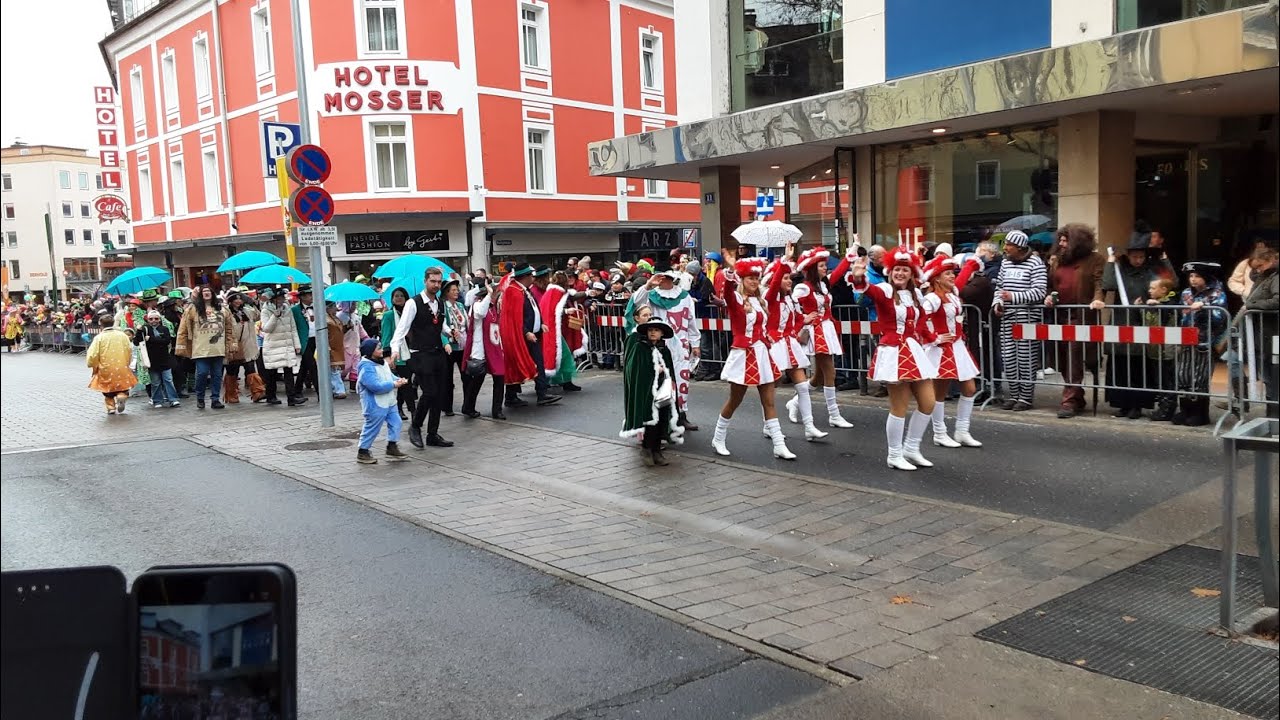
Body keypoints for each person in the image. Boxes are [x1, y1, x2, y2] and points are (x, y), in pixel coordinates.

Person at [849, 248, 939, 470]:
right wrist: (859, 276)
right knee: (899, 405)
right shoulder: (885, 290)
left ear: (911, 273)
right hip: (893, 351)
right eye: (897, 269)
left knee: (929, 403)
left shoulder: (916, 294)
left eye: (904, 270)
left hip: (913, 350)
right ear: (890, 271)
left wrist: (931, 339)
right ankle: (894, 454)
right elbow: (868, 292)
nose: (900, 273)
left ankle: (912, 447)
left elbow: (921, 321)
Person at [711, 256, 796, 460]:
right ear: (742, 280)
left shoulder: (761, 300)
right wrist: (732, 272)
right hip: (744, 354)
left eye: (756, 279)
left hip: (762, 353)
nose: (754, 282)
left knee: (769, 401)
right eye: (750, 278)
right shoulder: (737, 300)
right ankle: (718, 437)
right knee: (735, 400)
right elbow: (728, 294)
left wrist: (785, 260)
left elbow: (775, 284)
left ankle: (779, 445)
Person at [1101, 231, 1173, 418]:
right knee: (1120, 364)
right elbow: (1108, 284)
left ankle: (1137, 405)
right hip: (1121, 321)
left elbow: (1171, 282)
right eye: (1134, 257)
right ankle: (1122, 404)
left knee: (1139, 366)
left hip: (1141, 321)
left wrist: (1164, 258)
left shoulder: (1151, 271)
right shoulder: (1120, 270)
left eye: (1141, 257)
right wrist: (1110, 261)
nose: (1138, 260)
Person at [1044, 224, 1107, 418]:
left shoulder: (1095, 259)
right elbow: (1049, 284)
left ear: (1078, 242)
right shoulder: (1057, 260)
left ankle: (1069, 400)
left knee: (1074, 355)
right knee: (1061, 357)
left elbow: (1099, 283)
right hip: (1059, 315)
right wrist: (1048, 297)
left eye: (1066, 240)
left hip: (1080, 316)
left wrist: (1098, 299)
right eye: (1060, 240)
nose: (1061, 244)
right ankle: (1077, 395)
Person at [921, 254, 983, 448]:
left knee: (970, 388)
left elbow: (962, 278)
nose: (952, 276)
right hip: (941, 349)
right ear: (937, 277)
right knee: (939, 391)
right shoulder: (932, 298)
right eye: (947, 273)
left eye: (952, 273)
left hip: (957, 346)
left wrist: (972, 263)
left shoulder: (951, 293)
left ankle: (962, 431)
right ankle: (939, 433)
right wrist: (934, 338)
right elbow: (919, 321)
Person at [389, 267, 455, 449]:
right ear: (425, 281)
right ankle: (415, 426)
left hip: (437, 353)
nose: (436, 285)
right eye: (432, 281)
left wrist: (450, 331)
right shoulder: (413, 303)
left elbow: (440, 325)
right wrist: (395, 349)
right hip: (420, 354)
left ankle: (432, 434)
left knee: (440, 394)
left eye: (438, 282)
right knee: (430, 392)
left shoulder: (440, 303)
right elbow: (401, 328)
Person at [792, 246, 856, 428]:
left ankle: (795, 402)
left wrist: (853, 250)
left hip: (827, 329)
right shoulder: (804, 287)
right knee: (831, 372)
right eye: (821, 266)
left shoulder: (823, 284)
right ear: (812, 268)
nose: (825, 269)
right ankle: (834, 414)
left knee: (819, 376)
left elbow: (839, 271)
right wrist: (803, 318)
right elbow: (790, 302)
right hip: (816, 332)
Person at [628, 269, 700, 429]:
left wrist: (695, 343)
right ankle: (659, 421)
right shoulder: (652, 296)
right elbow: (636, 303)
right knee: (659, 383)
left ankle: (681, 415)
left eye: (666, 278)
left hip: (680, 346)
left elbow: (691, 320)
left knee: (681, 382)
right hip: (658, 346)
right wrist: (648, 285)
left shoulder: (684, 296)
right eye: (660, 277)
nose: (663, 280)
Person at [992, 230, 1048, 411]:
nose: (1005, 248)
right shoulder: (1005, 263)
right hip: (1008, 318)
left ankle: (1025, 398)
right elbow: (999, 287)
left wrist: (1013, 296)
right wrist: (998, 303)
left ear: (1019, 247)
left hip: (1027, 319)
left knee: (1026, 359)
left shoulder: (1036, 263)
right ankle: (1014, 395)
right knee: (1009, 359)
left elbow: (1039, 291)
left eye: (1008, 245)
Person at [621, 315, 684, 466]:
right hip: (647, 391)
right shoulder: (640, 347)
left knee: (662, 419)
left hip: (663, 390)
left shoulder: (665, 349)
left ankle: (657, 450)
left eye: (656, 330)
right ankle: (647, 448)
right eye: (650, 330)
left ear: (662, 333)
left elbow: (670, 370)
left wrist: (670, 382)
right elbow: (635, 370)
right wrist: (654, 369)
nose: (653, 333)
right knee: (650, 420)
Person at [498, 263, 560, 407]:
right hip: (524, 336)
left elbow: (533, 308)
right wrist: (526, 332)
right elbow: (513, 317)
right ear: (525, 277)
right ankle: (540, 394)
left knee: (531, 363)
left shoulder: (523, 289)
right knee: (528, 363)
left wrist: (541, 322)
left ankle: (513, 396)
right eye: (531, 275)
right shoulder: (513, 291)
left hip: (533, 333)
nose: (533, 277)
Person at [175, 285, 236, 410]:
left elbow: (230, 328)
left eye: (209, 291)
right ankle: (200, 398)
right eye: (204, 291)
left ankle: (215, 399)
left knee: (217, 375)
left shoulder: (223, 309)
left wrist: (232, 344)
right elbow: (183, 329)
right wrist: (181, 346)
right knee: (202, 373)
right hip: (200, 348)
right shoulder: (192, 309)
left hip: (218, 348)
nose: (207, 293)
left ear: (213, 293)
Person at [355, 338, 410, 464]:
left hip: (389, 401)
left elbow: (389, 376)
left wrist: (398, 380)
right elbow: (375, 386)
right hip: (375, 404)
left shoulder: (382, 363)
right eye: (378, 348)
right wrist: (394, 384)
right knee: (372, 427)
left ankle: (392, 446)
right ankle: (363, 451)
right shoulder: (366, 367)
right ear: (370, 352)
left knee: (396, 422)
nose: (381, 350)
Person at [460, 281, 507, 420]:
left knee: (499, 377)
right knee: (477, 379)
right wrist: (489, 295)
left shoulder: (493, 308)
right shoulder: (477, 305)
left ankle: (497, 410)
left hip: (494, 349)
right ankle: (468, 406)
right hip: (481, 349)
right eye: (495, 292)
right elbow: (480, 313)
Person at [1241, 245, 1278, 417]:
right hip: (1263, 332)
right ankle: (1272, 412)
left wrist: (1252, 305)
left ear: (1271, 261)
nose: (1257, 270)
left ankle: (1274, 413)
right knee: (1268, 374)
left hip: (1272, 331)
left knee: (1272, 373)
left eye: (1260, 266)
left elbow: (1277, 300)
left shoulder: (1275, 277)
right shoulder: (1264, 276)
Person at [258, 288, 307, 406]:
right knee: (272, 372)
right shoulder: (265, 310)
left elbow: (293, 327)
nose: (281, 301)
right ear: (273, 299)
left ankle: (291, 397)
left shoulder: (287, 309)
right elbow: (266, 329)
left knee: (288, 370)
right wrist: (275, 316)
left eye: (282, 298)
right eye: (279, 298)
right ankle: (271, 396)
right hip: (273, 344)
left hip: (286, 343)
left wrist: (297, 344)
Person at [540, 271, 584, 393]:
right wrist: (566, 311)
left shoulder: (553, 292)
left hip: (557, 329)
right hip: (554, 330)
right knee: (564, 355)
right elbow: (553, 311)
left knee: (560, 354)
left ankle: (557, 381)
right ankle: (565, 382)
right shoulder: (555, 292)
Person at [86, 314, 139, 415]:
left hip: (106, 367)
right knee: (122, 386)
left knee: (107, 389)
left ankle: (111, 407)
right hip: (121, 365)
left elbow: (93, 354)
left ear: (101, 325)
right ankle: (122, 395)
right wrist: (127, 362)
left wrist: (91, 364)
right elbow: (129, 349)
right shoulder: (123, 335)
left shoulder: (99, 338)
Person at [380, 287, 417, 420]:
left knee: (404, 382)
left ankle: (399, 407)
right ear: (392, 298)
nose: (399, 298)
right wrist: (387, 356)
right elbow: (386, 336)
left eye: (402, 295)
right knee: (406, 383)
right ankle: (413, 411)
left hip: (413, 351)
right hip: (398, 354)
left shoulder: (412, 312)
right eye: (396, 296)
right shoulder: (389, 315)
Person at [223, 292, 264, 404]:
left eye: (240, 299)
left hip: (247, 344)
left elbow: (258, 316)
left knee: (250, 368)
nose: (238, 302)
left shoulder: (247, 310)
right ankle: (231, 394)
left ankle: (257, 392)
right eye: (235, 300)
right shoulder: (225, 312)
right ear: (230, 301)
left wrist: (254, 303)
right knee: (232, 370)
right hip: (232, 345)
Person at [136, 310, 180, 408]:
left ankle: (173, 399)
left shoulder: (164, 329)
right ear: (147, 319)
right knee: (155, 382)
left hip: (165, 359)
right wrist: (139, 331)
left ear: (159, 319)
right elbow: (137, 341)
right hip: (152, 360)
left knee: (168, 380)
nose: (154, 321)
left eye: (156, 318)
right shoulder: (145, 329)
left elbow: (166, 341)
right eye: (151, 319)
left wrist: (151, 339)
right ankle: (157, 400)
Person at [441, 278, 469, 415]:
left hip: (462, 345)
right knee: (447, 378)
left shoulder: (460, 306)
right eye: (453, 290)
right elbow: (441, 327)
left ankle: (468, 405)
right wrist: (446, 342)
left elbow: (466, 324)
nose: (456, 292)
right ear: (447, 292)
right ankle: (447, 407)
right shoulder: (443, 307)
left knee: (467, 376)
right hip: (450, 347)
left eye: (457, 289)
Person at [293, 287, 318, 396]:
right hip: (304, 340)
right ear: (302, 297)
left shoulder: (317, 307)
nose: (311, 297)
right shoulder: (295, 310)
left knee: (304, 365)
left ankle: (297, 388)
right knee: (312, 365)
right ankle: (320, 392)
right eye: (309, 295)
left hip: (315, 338)